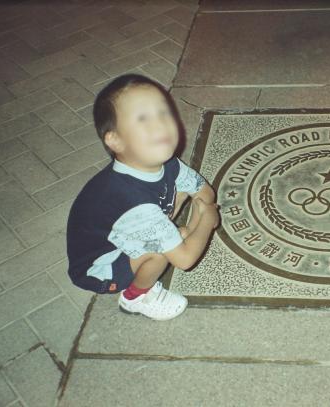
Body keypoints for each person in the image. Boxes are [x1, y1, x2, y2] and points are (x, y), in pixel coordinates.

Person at [65, 73, 220, 321]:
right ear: (115, 140)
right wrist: (206, 220)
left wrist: (191, 227)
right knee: (158, 254)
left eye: (163, 112)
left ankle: (165, 234)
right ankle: (135, 297)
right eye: (142, 119)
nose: (159, 124)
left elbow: (203, 190)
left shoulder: (164, 162)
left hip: (128, 226)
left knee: (177, 199)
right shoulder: (133, 203)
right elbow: (186, 259)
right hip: (100, 266)